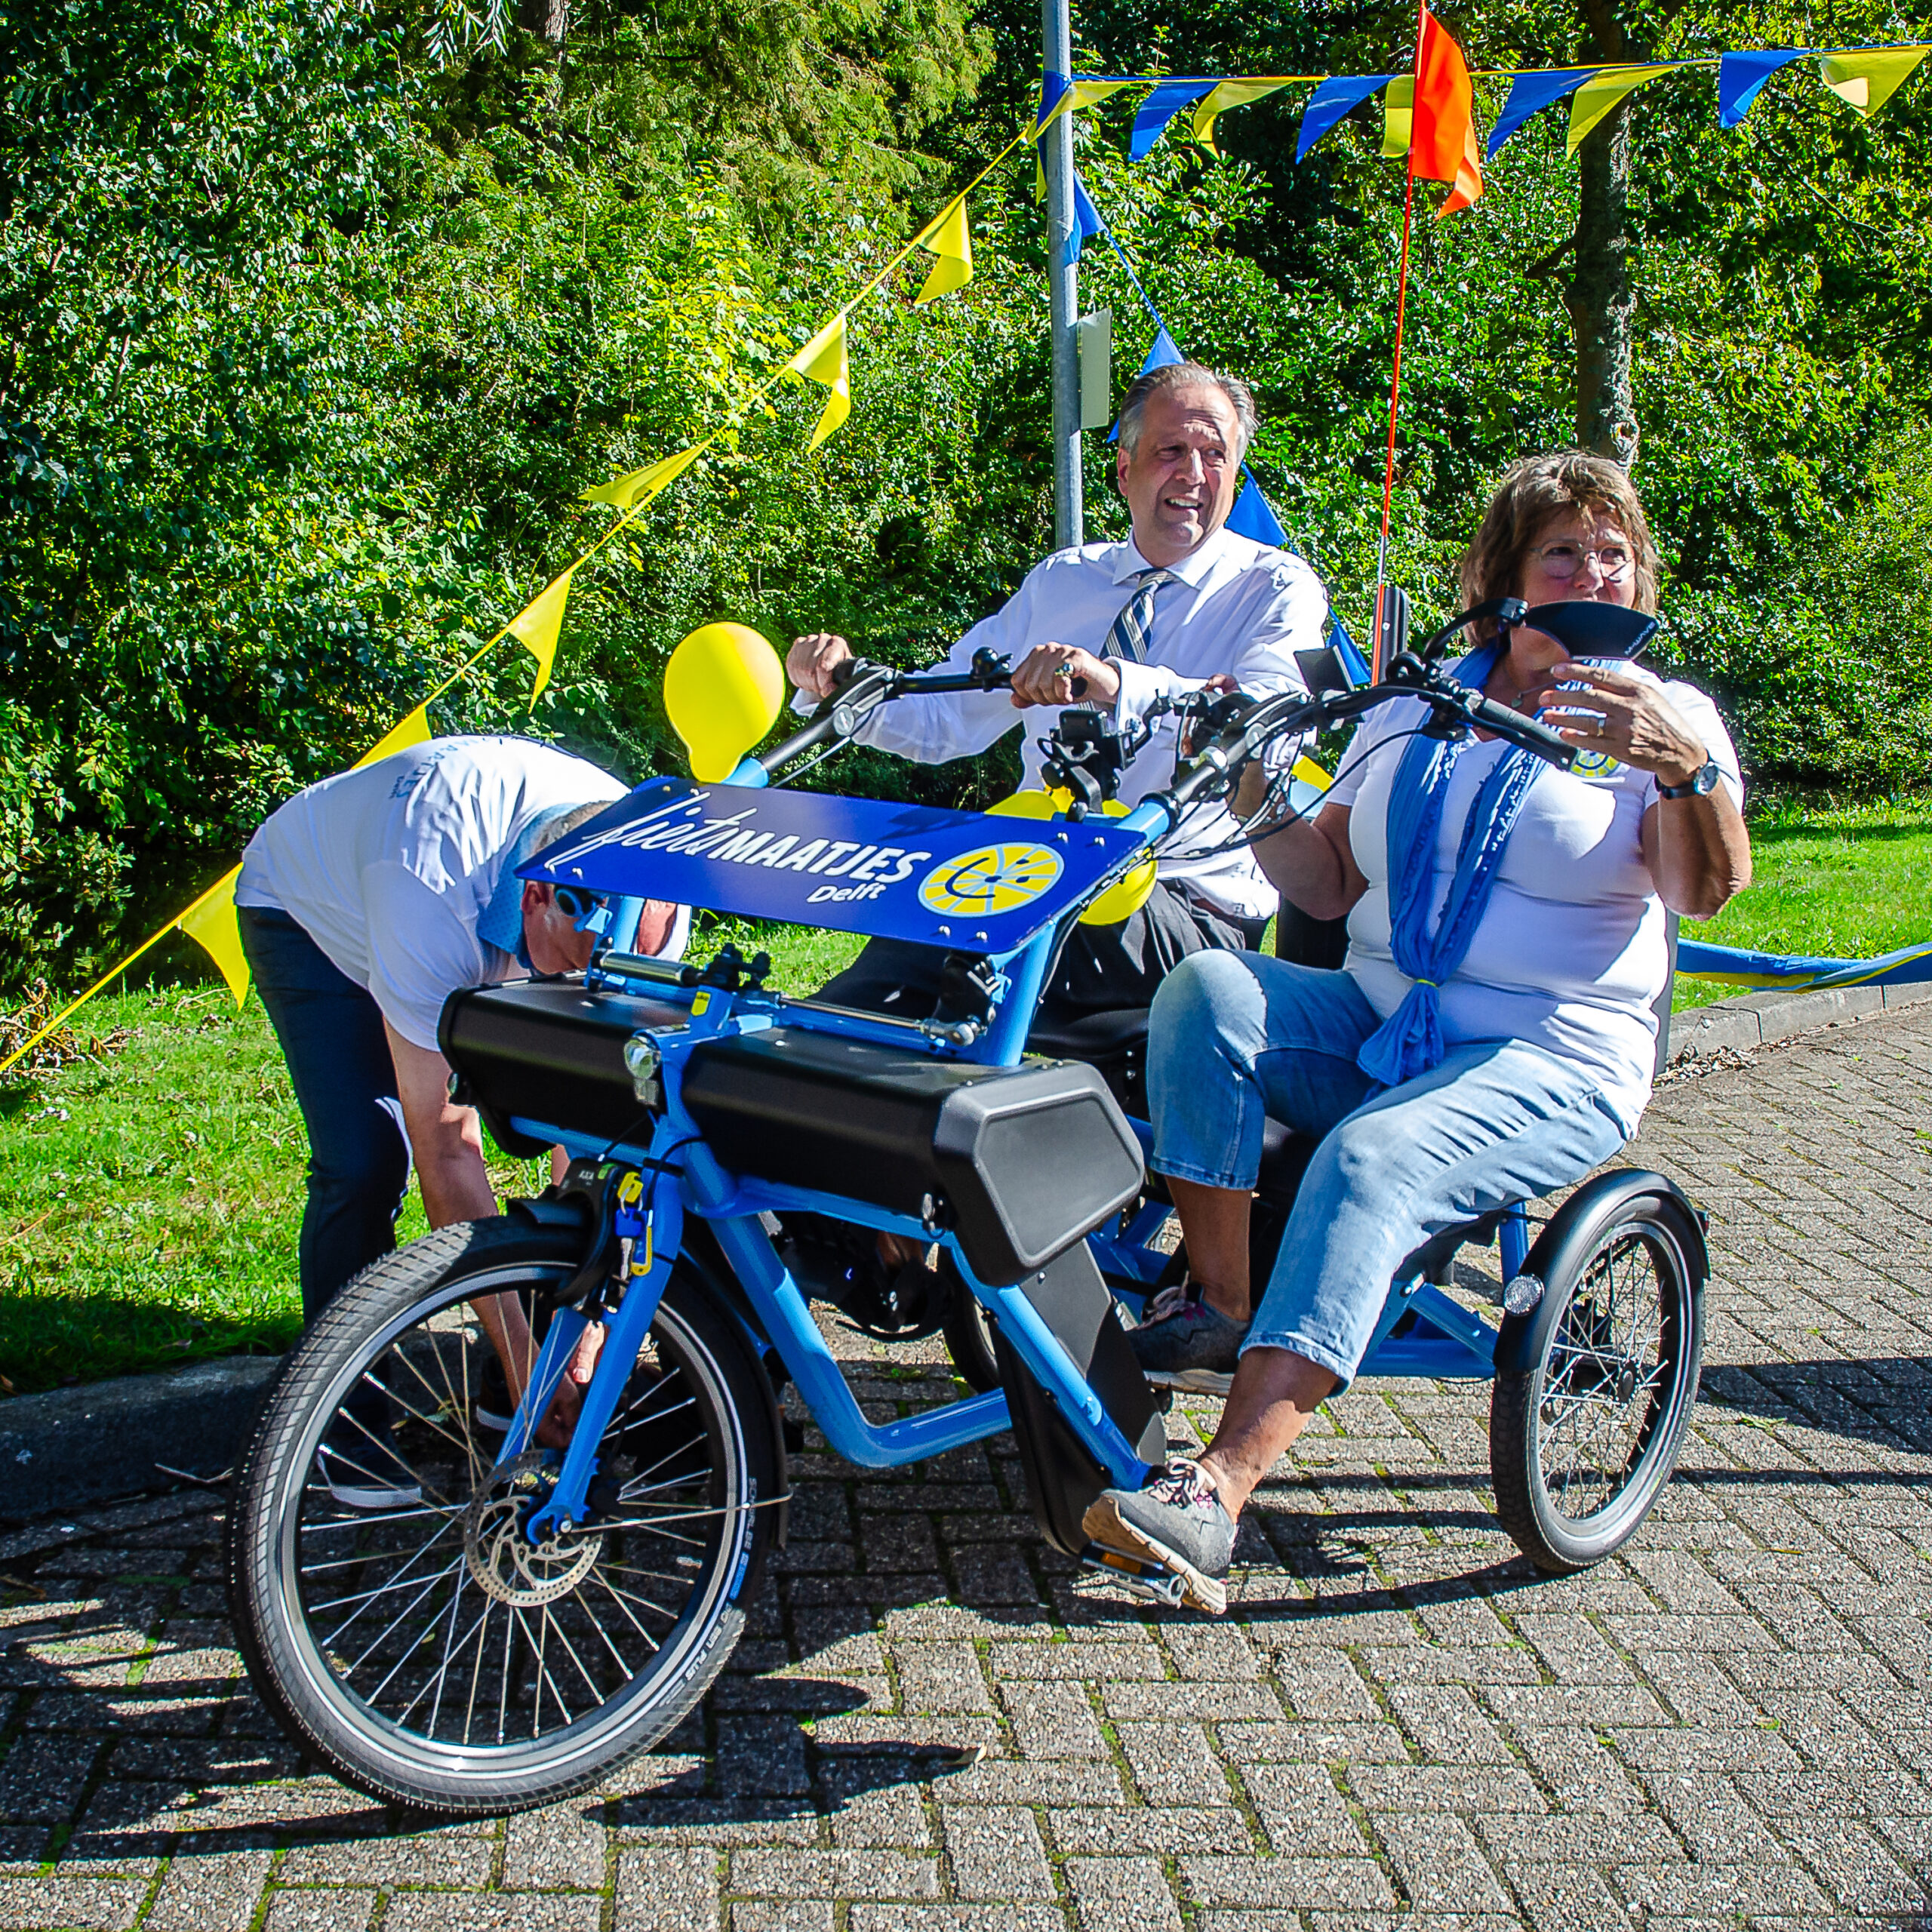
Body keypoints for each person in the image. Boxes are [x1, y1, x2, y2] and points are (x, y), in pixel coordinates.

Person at [1082, 451, 1752, 1614]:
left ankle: (1217, 1491)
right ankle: (1227, 1305)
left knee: (1374, 1157)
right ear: (1501, 576)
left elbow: (1706, 894)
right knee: (1209, 991)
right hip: (1385, 1017)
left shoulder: (1667, 720)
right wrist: (1257, 796)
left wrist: (1685, 775)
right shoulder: (1417, 701)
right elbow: (1331, 884)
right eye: (1564, 552)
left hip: (1553, 1049)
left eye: (1615, 553)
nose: (1594, 570)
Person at [786, 361, 1330, 1026]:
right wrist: (840, 683)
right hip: (1035, 877)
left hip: (1183, 911)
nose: (1193, 474)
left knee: (972, 936)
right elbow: (944, 720)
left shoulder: (1276, 585)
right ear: (1125, 470)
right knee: (914, 942)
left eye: (1215, 455)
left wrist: (1118, 684)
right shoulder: (1063, 582)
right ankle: (785, 1068)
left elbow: (1272, 722)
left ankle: (832, 1065)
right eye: (1171, 451)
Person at [236, 734, 688, 1500]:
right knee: (367, 1157)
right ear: (537, 896)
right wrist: (530, 1366)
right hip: (314, 917)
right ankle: (341, 1424)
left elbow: (600, 1142)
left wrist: (588, 1336)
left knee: (579, 1136)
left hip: (472, 916)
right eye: (578, 968)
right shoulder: (425, 882)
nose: (585, 992)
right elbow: (448, 1148)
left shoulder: (656, 902)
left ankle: (503, 1393)